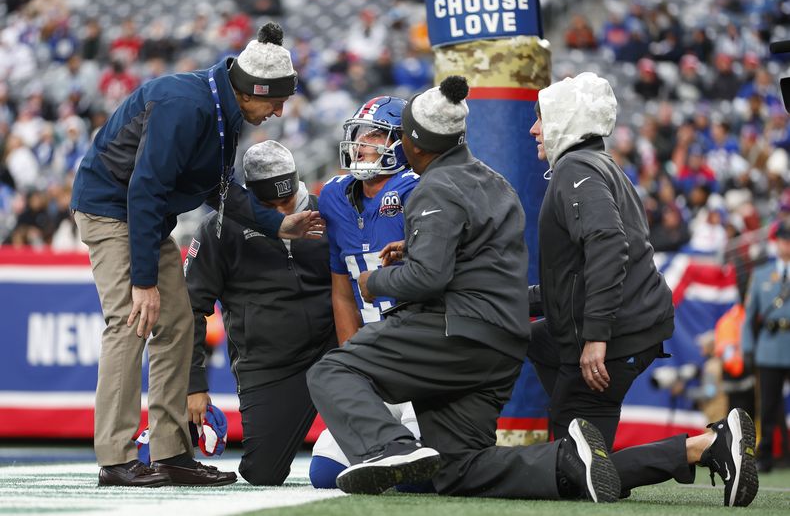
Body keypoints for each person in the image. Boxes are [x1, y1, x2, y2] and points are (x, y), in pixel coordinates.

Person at [308, 76, 623, 503]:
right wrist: (416, 248)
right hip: (504, 346)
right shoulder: (495, 181)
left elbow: (427, 279)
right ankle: (565, 461)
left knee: (331, 371)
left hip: (459, 333)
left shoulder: (432, 186)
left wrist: (373, 281)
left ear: (415, 144)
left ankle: (391, 447)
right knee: (457, 468)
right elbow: (478, 257)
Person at [70, 22, 324, 487]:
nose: (279, 111)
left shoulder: (222, 109)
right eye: (276, 100)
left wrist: (278, 224)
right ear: (252, 90)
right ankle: (116, 457)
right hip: (111, 209)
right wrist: (143, 282)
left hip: (144, 214)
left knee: (178, 322)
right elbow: (144, 188)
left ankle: (170, 453)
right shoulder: (186, 105)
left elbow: (220, 190)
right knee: (132, 320)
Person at [527, 72, 758, 507]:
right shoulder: (599, 164)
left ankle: (705, 447)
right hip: (627, 323)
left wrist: (595, 335)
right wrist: (515, 301)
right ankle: (578, 428)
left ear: (565, 118)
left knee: (569, 473)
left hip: (613, 333)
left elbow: (609, 246)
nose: (534, 129)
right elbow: (575, 276)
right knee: (528, 339)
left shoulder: (576, 168)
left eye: (540, 118)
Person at [185, 140, 336, 486]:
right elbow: (190, 310)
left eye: (288, 201)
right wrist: (193, 384)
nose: (284, 213)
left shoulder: (329, 212)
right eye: (270, 205)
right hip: (270, 365)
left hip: (335, 347)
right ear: (250, 197)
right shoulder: (218, 230)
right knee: (262, 474)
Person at [310, 95, 422, 489]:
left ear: (402, 143)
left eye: (374, 135)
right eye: (359, 135)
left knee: (418, 482)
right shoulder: (335, 195)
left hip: (420, 357)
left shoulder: (418, 191)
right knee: (324, 472)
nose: (361, 144)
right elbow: (341, 290)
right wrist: (355, 363)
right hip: (373, 352)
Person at [742, 220, 790, 473]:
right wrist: (748, 347)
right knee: (768, 406)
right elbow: (749, 316)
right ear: (777, 242)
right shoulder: (762, 275)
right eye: (784, 239)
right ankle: (766, 455)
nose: (787, 245)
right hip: (770, 346)